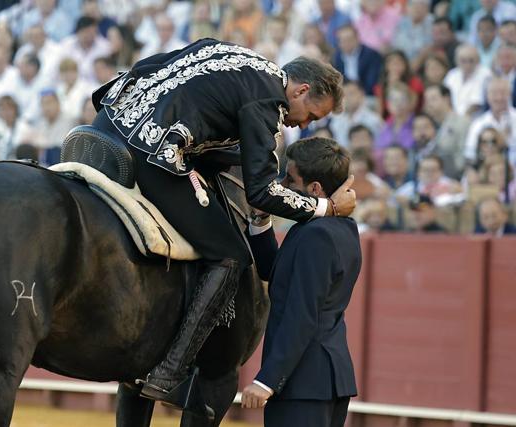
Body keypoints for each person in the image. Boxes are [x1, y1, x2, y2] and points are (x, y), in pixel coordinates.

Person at [90, 38, 356, 402]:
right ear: (301, 90)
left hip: (108, 123)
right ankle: (170, 370)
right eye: (310, 115)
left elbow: (151, 65)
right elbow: (260, 192)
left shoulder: (234, 53)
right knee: (231, 255)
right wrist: (326, 208)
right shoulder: (268, 103)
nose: (302, 125)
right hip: (149, 152)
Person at [240, 137, 361, 427]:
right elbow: (276, 271)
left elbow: (302, 314)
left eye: (290, 179)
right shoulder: (337, 228)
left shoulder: (315, 234)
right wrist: (260, 218)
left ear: (314, 189)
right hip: (319, 380)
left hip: (304, 383)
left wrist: (267, 381)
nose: (282, 185)